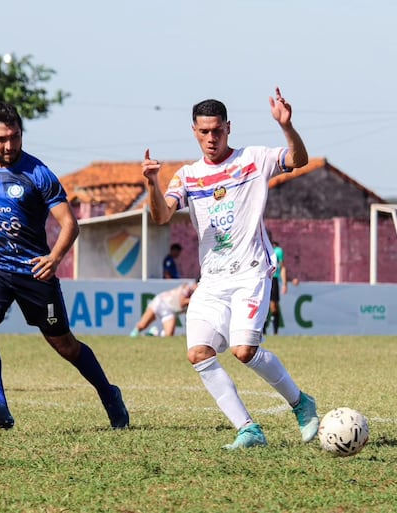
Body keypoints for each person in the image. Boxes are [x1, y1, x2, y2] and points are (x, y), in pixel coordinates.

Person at [0, 101, 129, 430]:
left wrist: (54, 258)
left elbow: (70, 224)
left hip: (34, 270)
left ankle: (109, 394)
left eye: (15, 137)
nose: (9, 145)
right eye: (1, 139)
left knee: (64, 344)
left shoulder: (38, 174)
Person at [141, 88, 318, 449]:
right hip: (212, 280)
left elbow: (298, 159)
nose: (211, 138)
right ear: (194, 131)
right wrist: (152, 183)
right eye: (204, 131)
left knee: (243, 351)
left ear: (228, 129)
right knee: (198, 353)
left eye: (217, 131)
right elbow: (161, 216)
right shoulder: (187, 176)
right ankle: (248, 429)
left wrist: (287, 126)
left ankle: (301, 403)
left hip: (251, 272)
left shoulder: (252, 159)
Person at [130, 281, 198, 337]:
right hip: (161, 302)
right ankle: (134, 334)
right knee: (142, 325)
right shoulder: (190, 286)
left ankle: (153, 334)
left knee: (168, 335)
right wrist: (197, 299)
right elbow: (182, 302)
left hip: (170, 311)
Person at [264, 234, 287, 335]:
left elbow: (282, 267)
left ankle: (275, 332)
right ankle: (262, 331)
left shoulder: (278, 251)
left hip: (274, 279)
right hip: (261, 279)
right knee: (262, 306)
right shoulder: (259, 249)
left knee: (273, 305)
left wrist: (285, 283)